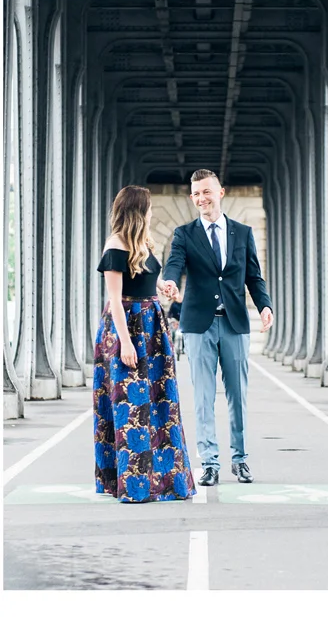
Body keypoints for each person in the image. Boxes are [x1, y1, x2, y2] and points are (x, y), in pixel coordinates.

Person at [162, 169, 274, 487]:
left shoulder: (243, 232)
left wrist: (265, 305)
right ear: (191, 197)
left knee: (238, 395)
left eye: (206, 192)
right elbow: (175, 262)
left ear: (220, 192)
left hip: (235, 323)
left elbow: (254, 276)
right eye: (196, 193)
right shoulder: (184, 234)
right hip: (199, 324)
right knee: (203, 396)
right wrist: (170, 280)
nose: (201, 199)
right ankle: (209, 462)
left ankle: (240, 460)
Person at [93, 185, 196, 503]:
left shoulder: (144, 244)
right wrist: (125, 343)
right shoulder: (115, 245)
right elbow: (114, 300)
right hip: (128, 328)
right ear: (138, 211)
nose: (152, 213)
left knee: (161, 402)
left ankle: (165, 481)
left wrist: (165, 285)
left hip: (153, 326)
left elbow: (149, 279)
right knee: (132, 408)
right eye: (149, 208)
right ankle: (134, 484)